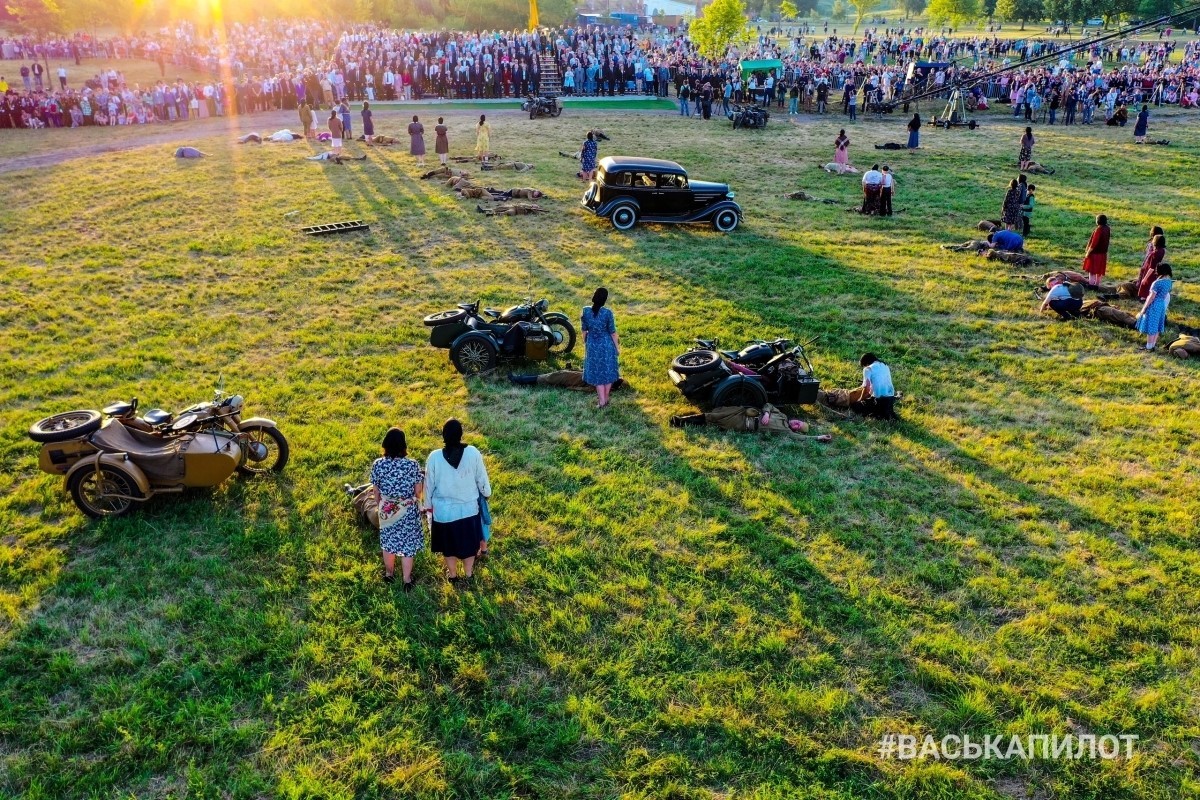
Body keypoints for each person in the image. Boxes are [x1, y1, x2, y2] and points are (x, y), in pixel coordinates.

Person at [424, 419, 491, 583]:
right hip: (469, 509)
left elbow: (428, 486)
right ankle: (469, 574)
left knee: (448, 547)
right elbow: (481, 478)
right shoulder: (473, 452)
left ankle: (453, 575)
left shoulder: (434, 457)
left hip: (443, 513)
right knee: (469, 545)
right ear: (461, 434)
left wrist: (427, 506)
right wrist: (486, 492)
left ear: (443, 435)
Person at [369, 428, 425, 590]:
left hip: (387, 508)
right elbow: (418, 491)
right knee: (408, 545)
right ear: (403, 445)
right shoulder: (412, 465)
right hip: (407, 509)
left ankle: (389, 574)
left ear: (385, 445)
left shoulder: (378, 464)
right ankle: (407, 580)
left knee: (388, 542)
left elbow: (376, 491)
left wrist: (381, 505)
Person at [670, 404, 831, 441]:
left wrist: (819, 437)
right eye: (799, 422)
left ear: (796, 430)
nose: (796, 423)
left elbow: (802, 439)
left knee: (713, 419)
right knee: (716, 412)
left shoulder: (785, 431)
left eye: (798, 427)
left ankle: (680, 422)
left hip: (744, 424)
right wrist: (767, 413)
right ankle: (683, 419)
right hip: (744, 411)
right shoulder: (782, 416)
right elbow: (768, 405)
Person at [581, 287, 620, 409]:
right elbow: (613, 332)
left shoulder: (585, 311)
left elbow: (584, 330)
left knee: (597, 374)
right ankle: (606, 399)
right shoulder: (608, 313)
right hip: (607, 345)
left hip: (593, 345)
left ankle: (602, 402)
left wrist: (585, 342)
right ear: (605, 299)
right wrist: (617, 348)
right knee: (607, 372)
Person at [1135, 264, 1174, 350]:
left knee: (1151, 326)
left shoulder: (1157, 283)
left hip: (1154, 305)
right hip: (1162, 305)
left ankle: (1148, 347)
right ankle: (1152, 345)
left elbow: (1151, 297)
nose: (1156, 271)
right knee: (1157, 326)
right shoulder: (1169, 282)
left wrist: (1144, 308)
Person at [855, 353, 898, 420]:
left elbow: (867, 387)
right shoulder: (885, 365)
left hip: (879, 400)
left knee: (856, 406)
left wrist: (860, 399)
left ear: (866, 363)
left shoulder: (867, 369)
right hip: (890, 398)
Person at [509, 370, 627, 391]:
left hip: (566, 379)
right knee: (543, 377)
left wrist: (571, 388)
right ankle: (519, 378)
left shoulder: (599, 385)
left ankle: (516, 380)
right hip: (567, 375)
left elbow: (585, 389)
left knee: (543, 378)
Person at [1081, 214, 1111, 287]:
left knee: (1092, 270)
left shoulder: (1099, 229)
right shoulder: (1107, 228)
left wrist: (1088, 252)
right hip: (1103, 253)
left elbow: (1094, 243)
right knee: (1099, 270)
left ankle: (1091, 284)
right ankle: (1097, 284)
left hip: (1095, 253)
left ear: (1098, 221)